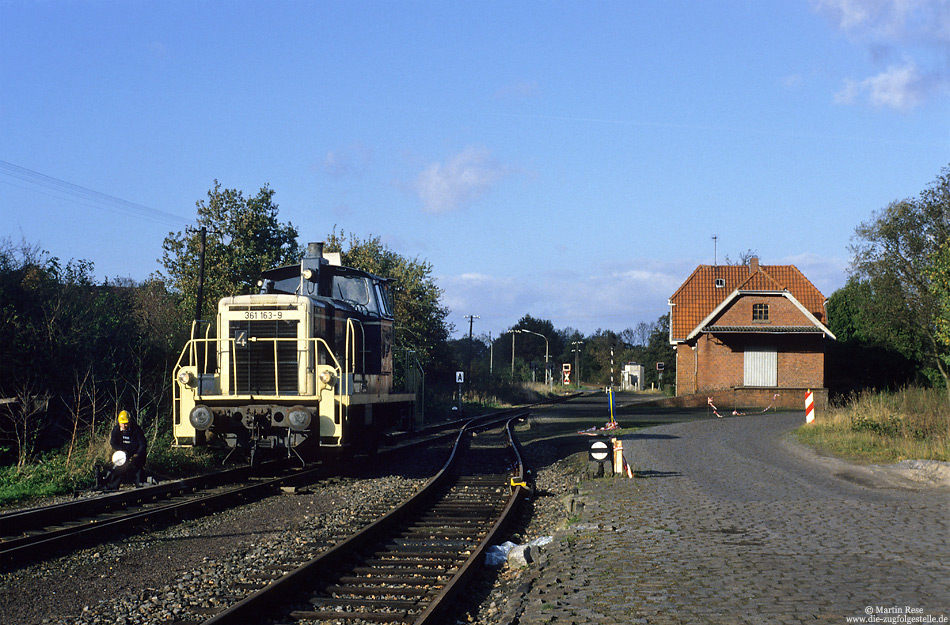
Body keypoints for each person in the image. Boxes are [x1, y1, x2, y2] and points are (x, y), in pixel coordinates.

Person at [102, 410, 148, 490]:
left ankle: (139, 484)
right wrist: (121, 451)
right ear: (119, 423)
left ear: (129, 422)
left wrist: (137, 454)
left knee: (137, 466)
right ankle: (113, 486)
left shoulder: (136, 429)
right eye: (122, 423)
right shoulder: (116, 430)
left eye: (126, 423)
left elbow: (143, 444)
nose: (124, 426)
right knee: (119, 466)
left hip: (136, 453)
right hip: (123, 453)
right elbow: (113, 442)